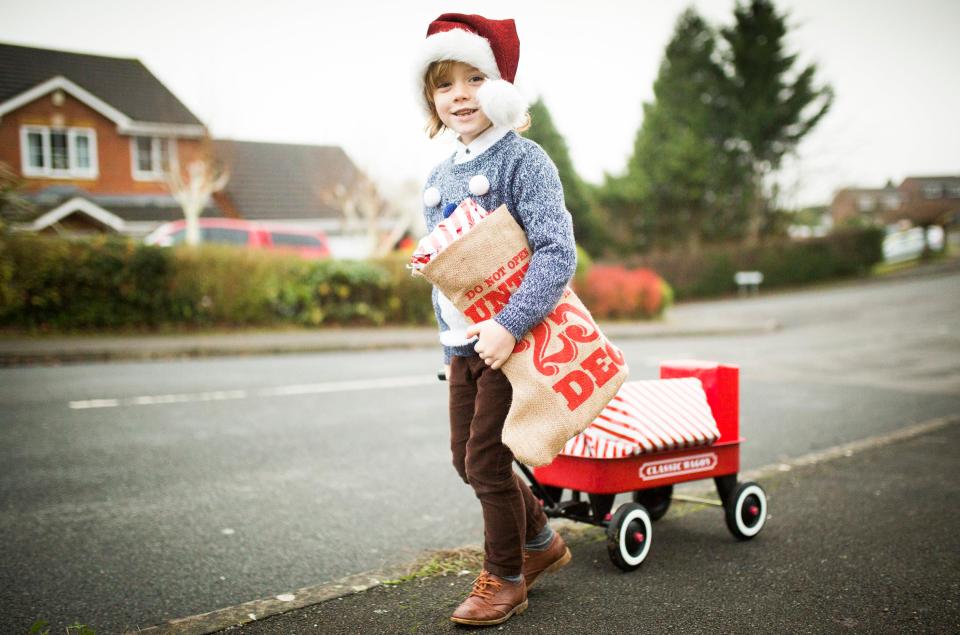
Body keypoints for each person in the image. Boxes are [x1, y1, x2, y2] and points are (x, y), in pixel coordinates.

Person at [416, 13, 576, 627]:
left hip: (513, 340)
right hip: (462, 344)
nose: (459, 93)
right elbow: (453, 265)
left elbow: (557, 251)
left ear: (501, 86)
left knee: (487, 461)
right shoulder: (439, 173)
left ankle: (504, 578)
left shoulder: (523, 161)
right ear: (431, 98)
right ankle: (539, 543)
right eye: (444, 82)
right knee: (467, 460)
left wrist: (510, 323)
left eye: (474, 78)